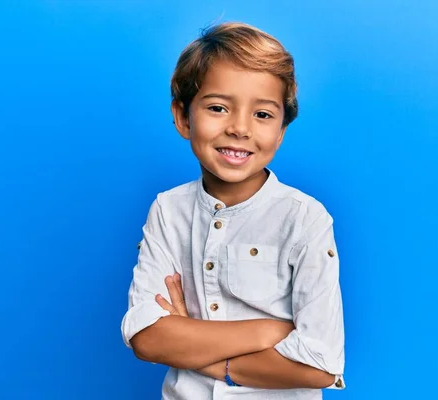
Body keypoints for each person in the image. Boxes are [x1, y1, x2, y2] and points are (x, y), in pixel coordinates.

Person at [121, 22, 346, 399]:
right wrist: (268, 331)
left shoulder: (305, 218)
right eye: (218, 108)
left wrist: (200, 352)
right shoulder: (167, 210)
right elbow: (147, 337)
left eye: (262, 115)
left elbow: (319, 363)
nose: (240, 128)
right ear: (182, 117)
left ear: (281, 131)